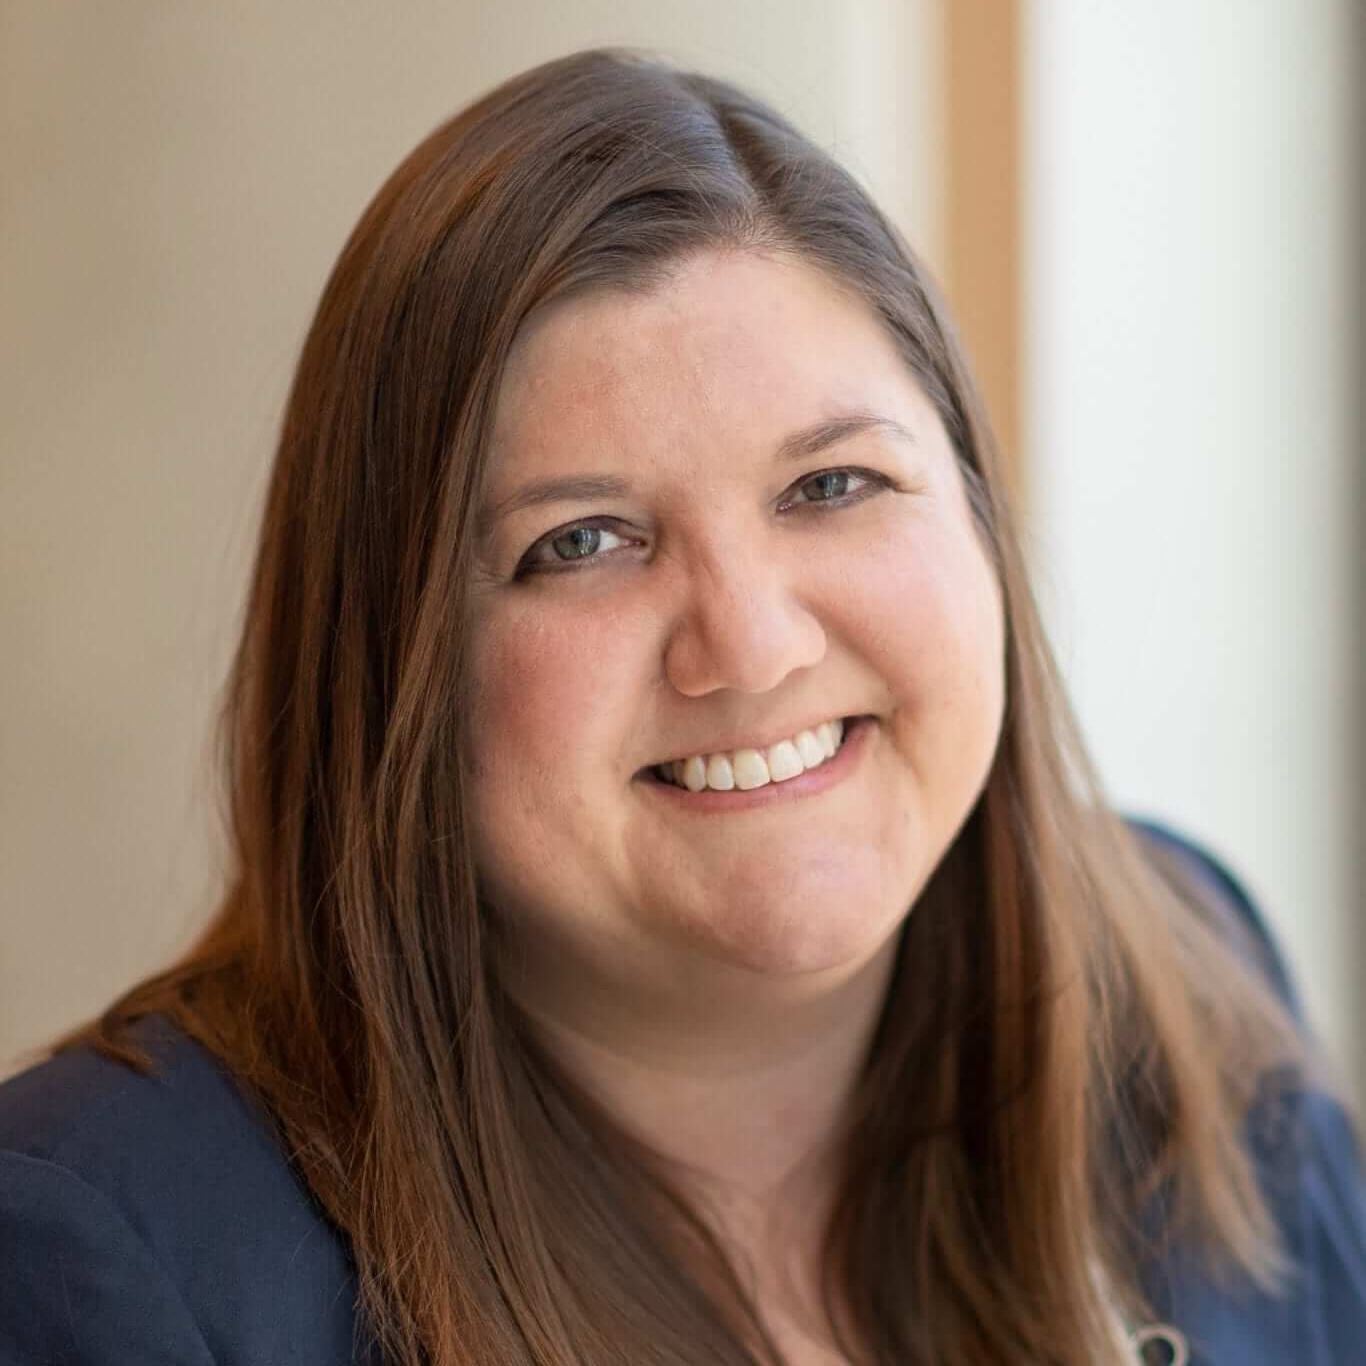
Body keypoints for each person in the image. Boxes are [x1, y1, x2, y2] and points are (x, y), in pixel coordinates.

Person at [0, 45, 1361, 1366]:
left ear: (977, 516)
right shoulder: (108, 1256)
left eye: (830, 485)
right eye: (583, 541)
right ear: (388, 670)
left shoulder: (1184, 971)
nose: (751, 647)